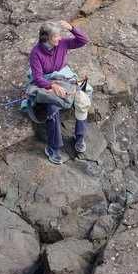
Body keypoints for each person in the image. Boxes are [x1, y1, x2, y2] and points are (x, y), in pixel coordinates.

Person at [27, 20, 93, 165]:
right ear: (46, 38)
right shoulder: (36, 53)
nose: (59, 38)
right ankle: (53, 146)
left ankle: (79, 137)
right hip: (46, 83)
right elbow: (37, 78)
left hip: (64, 79)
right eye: (56, 36)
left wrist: (71, 28)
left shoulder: (62, 44)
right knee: (52, 108)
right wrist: (52, 85)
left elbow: (83, 40)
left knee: (82, 99)